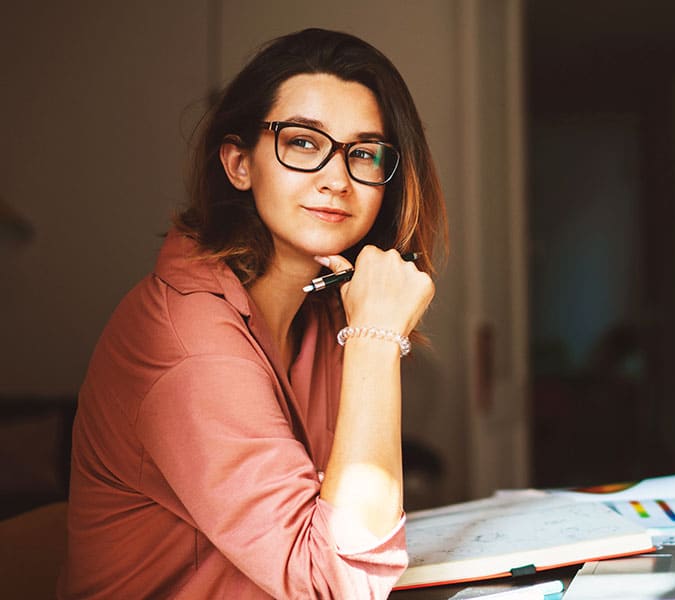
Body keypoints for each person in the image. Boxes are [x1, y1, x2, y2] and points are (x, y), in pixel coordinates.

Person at [58, 28, 447, 599]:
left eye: (363, 153)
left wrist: (364, 330)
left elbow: (340, 523)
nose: (337, 178)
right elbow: (336, 583)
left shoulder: (324, 310)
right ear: (239, 164)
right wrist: (377, 337)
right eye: (304, 143)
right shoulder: (188, 346)